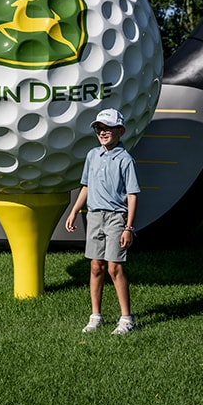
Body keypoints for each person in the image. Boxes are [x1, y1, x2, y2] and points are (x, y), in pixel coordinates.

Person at [65, 107, 141, 335]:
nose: (102, 132)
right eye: (99, 128)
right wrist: (74, 211)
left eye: (108, 128)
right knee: (96, 266)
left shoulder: (126, 160)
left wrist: (128, 227)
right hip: (94, 216)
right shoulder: (92, 155)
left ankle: (126, 319)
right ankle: (96, 316)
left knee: (114, 267)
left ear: (120, 131)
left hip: (116, 218)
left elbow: (132, 196)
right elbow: (86, 186)